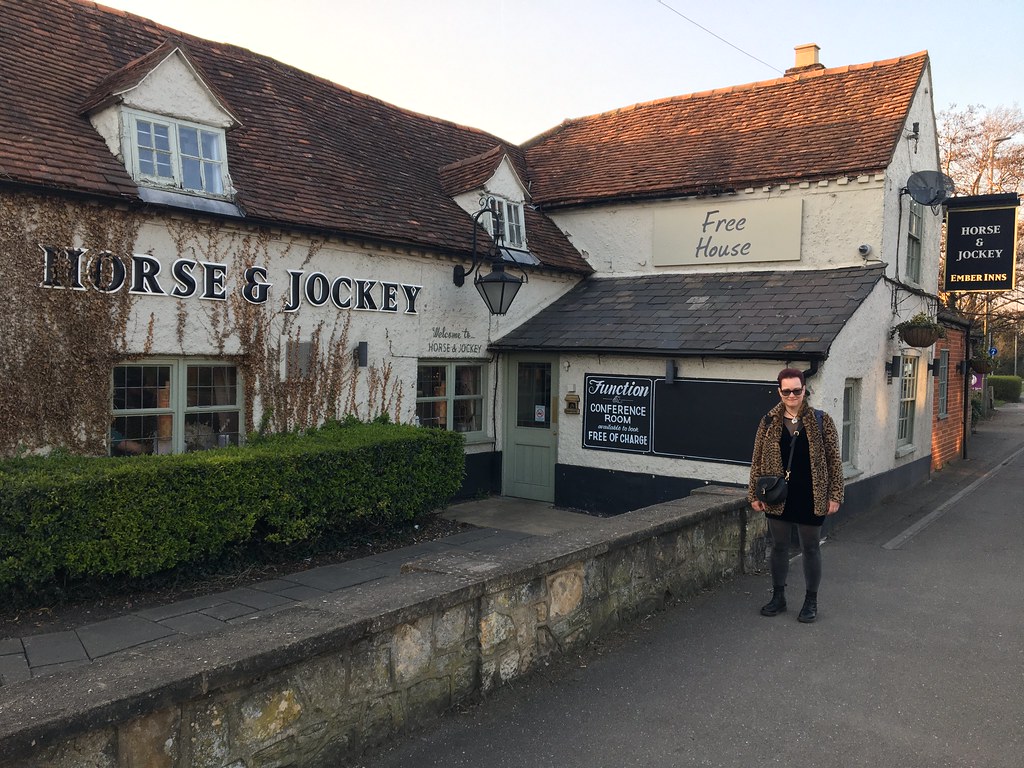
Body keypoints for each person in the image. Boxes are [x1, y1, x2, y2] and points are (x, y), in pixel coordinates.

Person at [748, 368, 844, 623]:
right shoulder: (768, 422)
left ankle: (810, 601)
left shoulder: (822, 420)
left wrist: (835, 494)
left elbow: (834, 461)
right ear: (779, 392)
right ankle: (778, 597)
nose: (792, 395)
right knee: (778, 546)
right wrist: (754, 493)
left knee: (810, 547)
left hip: (811, 494)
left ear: (804, 390)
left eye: (797, 390)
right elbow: (756, 460)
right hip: (778, 494)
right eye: (787, 390)